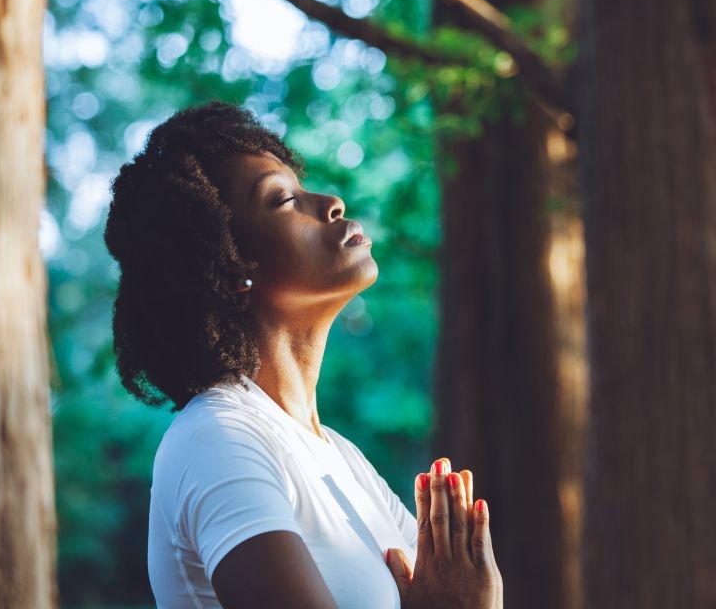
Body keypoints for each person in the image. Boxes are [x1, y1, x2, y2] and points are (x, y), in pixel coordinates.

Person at [103, 100, 503, 608]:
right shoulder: (216, 439)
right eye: (283, 200)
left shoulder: (341, 458)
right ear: (227, 268)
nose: (332, 201)